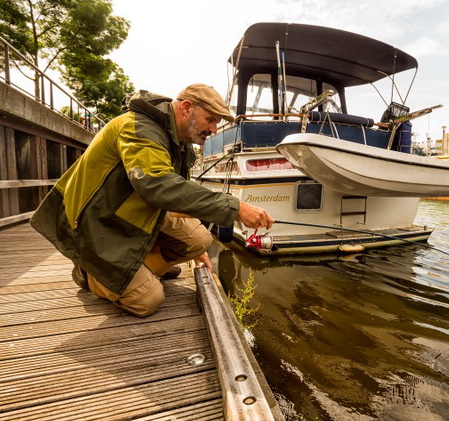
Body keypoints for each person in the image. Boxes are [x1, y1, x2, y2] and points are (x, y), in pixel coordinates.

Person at [31, 84, 274, 317]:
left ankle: (136, 268)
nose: (213, 129)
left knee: (199, 240)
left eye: (216, 123)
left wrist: (196, 250)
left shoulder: (179, 142)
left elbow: (177, 196)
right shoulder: (138, 128)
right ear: (187, 108)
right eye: (210, 120)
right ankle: (89, 273)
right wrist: (236, 207)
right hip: (94, 223)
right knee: (147, 301)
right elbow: (157, 184)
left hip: (126, 214)